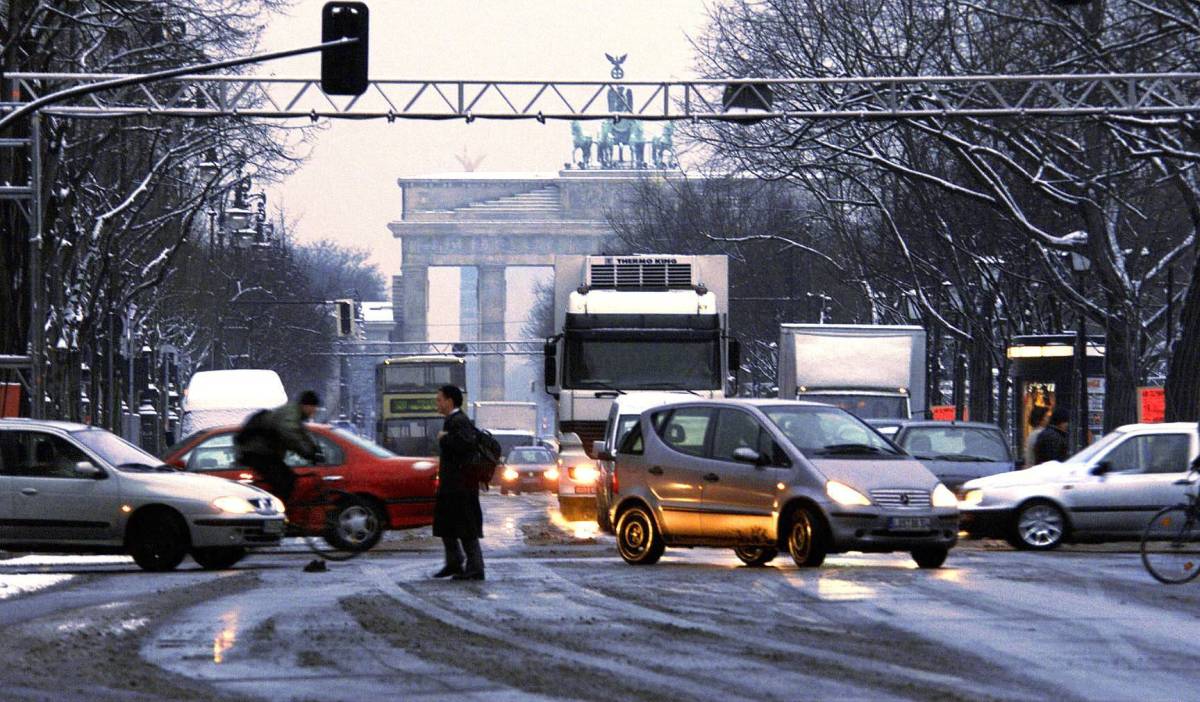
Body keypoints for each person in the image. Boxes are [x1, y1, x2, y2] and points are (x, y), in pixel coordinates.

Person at [431, 384, 485, 581]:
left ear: (449, 401)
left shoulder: (459, 421)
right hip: (453, 485)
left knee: (466, 528)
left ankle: (475, 568)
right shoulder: (453, 420)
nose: (437, 403)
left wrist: (444, 439)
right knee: (448, 525)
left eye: (439, 400)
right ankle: (454, 563)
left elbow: (465, 445)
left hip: (461, 487)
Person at [234, 390, 322, 501]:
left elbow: (302, 435)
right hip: (256, 452)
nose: (314, 411)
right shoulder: (290, 414)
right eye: (313, 408)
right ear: (306, 406)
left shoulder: (295, 415)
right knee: (285, 482)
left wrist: (313, 449)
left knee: (288, 478)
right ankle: (276, 512)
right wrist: (308, 453)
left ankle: (279, 507)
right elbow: (291, 434)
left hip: (264, 453)